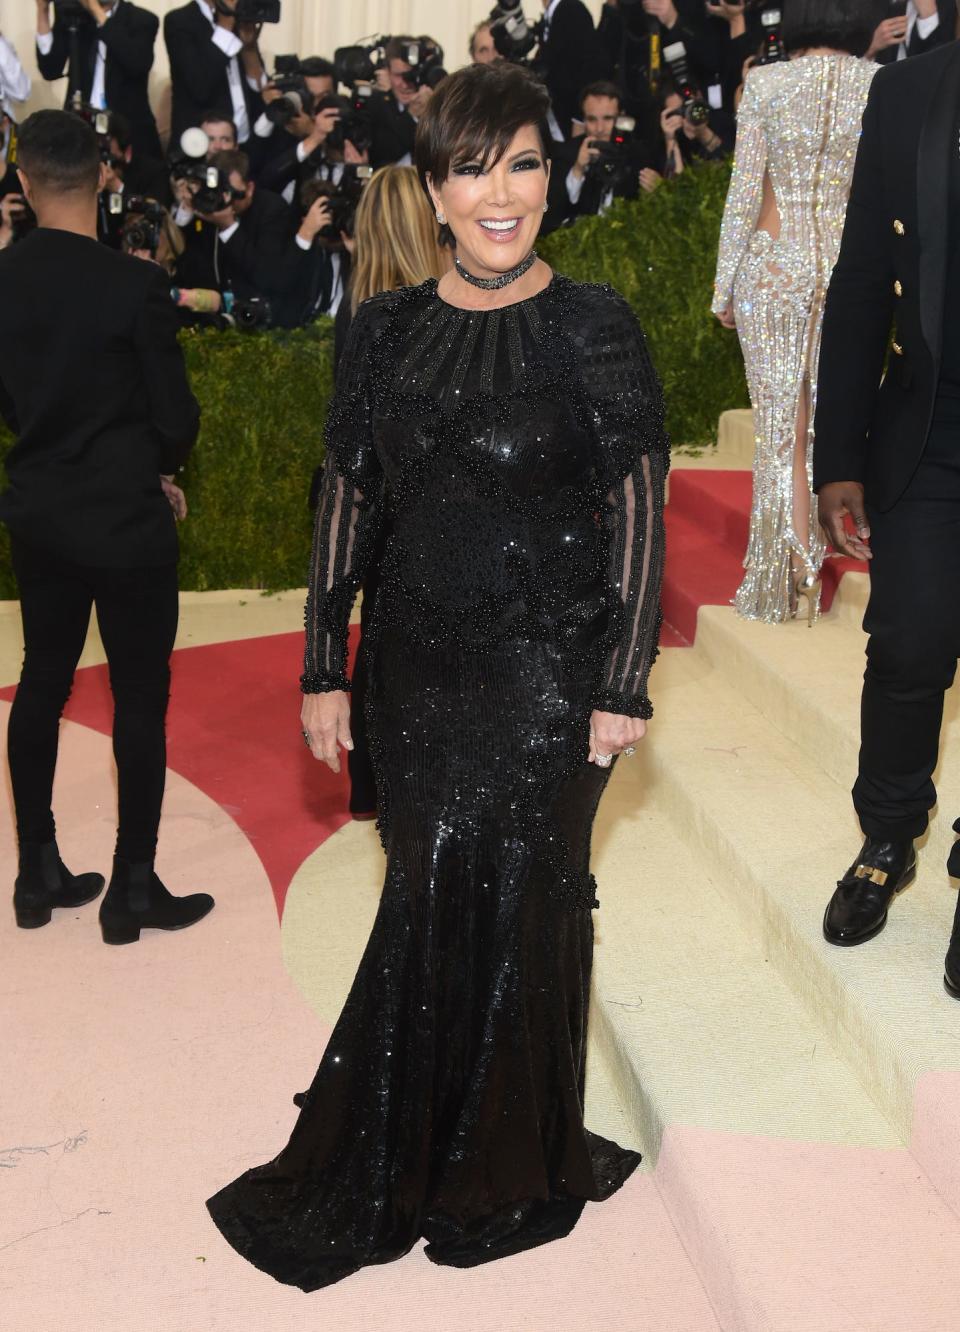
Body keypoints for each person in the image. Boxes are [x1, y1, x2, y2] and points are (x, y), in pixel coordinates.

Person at [206, 58, 667, 1287]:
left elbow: (636, 503)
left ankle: (504, 1157)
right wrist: (323, 663)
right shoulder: (390, 331)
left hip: (550, 678)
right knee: (426, 892)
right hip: (416, 673)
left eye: (522, 162)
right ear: (435, 187)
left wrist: (621, 680)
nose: (500, 193)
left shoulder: (594, 325)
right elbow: (347, 496)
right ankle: (423, 1134)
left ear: (552, 174)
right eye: (473, 168)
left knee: (525, 900)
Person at [0, 111, 213, 944]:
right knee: (138, 697)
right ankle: (132, 887)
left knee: (42, 678)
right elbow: (177, 420)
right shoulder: (135, 287)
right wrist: (151, 466)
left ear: (22, 183)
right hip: (126, 521)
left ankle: (35, 872)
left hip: (40, 515)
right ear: (105, 176)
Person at [813, 14, 960, 994]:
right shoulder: (905, 93)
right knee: (907, 643)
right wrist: (840, 457)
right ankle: (888, 835)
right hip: (931, 433)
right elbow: (863, 283)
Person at [711, 0, 879, 625]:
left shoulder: (767, 82)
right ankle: (819, 553)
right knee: (836, 415)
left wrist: (723, 287)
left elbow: (745, 190)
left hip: (774, 265)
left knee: (780, 426)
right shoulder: (879, 81)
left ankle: (779, 580)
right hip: (852, 272)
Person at [326, 165, 450, 818]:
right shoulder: (438, 312)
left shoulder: (355, 319)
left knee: (377, 637)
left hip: (371, 510)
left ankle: (370, 784)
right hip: (427, 512)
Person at [34, 0, 162, 160]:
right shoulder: (74, 17)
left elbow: (137, 64)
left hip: (127, 131)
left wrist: (95, 10)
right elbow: (50, 69)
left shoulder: (142, 19)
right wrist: (43, 10)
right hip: (81, 127)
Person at [164, 0, 264, 147]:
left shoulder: (239, 18)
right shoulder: (180, 20)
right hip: (200, 146)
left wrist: (249, 47)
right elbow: (199, 86)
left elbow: (258, 88)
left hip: (242, 143)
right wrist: (225, 27)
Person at [538, 0, 610, 137]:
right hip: (559, 120)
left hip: (572, 124)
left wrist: (579, 119)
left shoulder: (571, 10)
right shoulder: (552, 15)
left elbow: (593, 65)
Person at [867, 0, 955, 62]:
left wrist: (929, 15)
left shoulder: (951, 6)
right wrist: (872, 48)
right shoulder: (888, 6)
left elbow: (943, 62)